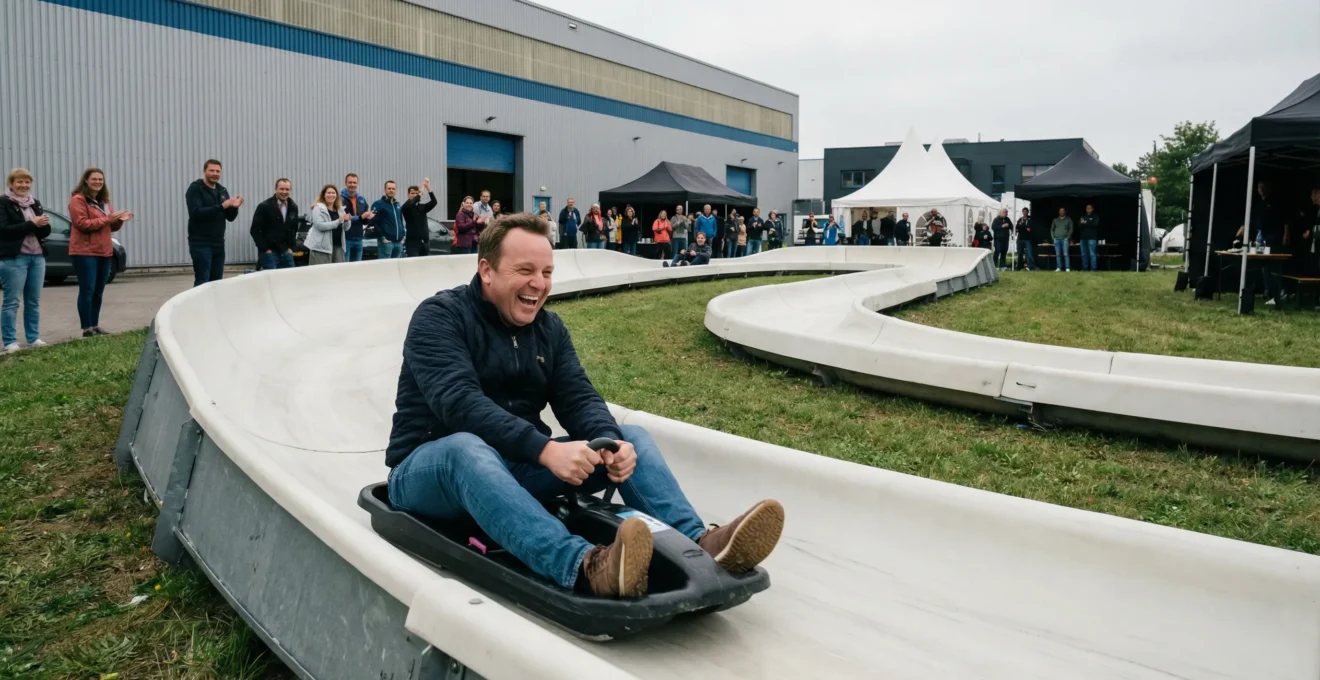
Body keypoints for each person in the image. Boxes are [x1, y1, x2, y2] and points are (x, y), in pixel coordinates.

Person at [385, 213, 784, 596]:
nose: (538, 284)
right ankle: (586, 566)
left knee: (632, 437)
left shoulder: (550, 329)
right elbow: (460, 405)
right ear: (487, 270)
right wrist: (545, 450)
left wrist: (609, 442)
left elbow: (578, 397)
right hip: (431, 471)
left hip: (515, 467)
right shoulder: (439, 318)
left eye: (546, 273)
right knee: (465, 448)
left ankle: (701, 541)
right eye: (525, 271)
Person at [68, 167, 133, 337]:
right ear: (86, 181)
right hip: (84, 251)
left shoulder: (103, 201)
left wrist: (119, 221)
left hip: (104, 251)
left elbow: (108, 226)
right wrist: (107, 219)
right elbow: (81, 223)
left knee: (98, 290)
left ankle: (95, 324)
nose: (98, 182)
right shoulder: (78, 200)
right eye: (94, 179)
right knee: (87, 289)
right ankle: (86, 327)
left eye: (100, 180)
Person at [0, 168, 51, 352]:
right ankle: (10, 341)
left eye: (27, 182)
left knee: (33, 301)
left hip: (37, 257)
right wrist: (32, 224)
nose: (24, 185)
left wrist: (44, 225)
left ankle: (33, 338)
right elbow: (4, 229)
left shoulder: (34, 203)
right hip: (15, 258)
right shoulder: (3, 203)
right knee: (12, 301)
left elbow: (43, 232)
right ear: (11, 184)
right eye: (19, 182)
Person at [186, 159, 241, 287]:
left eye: (218, 171)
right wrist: (222, 206)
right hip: (200, 243)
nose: (215, 173)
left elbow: (230, 218)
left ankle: (213, 307)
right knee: (203, 281)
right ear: (204, 171)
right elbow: (196, 212)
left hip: (218, 243)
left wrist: (234, 207)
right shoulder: (195, 188)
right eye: (212, 170)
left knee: (217, 282)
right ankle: (199, 307)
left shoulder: (222, 190)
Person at [249, 178, 298, 272]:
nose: (284, 192)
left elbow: (293, 228)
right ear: (275, 189)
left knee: (290, 281)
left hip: (286, 253)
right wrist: (265, 249)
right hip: (270, 254)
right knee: (272, 284)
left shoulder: (293, 207)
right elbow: (255, 230)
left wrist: (291, 247)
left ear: (290, 190)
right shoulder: (264, 206)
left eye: (287, 189)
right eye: (281, 189)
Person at [305, 184, 350, 265]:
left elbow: (346, 228)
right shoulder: (318, 208)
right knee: (321, 275)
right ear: (324, 195)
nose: (331, 195)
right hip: (321, 249)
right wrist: (338, 221)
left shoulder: (340, 209)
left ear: (337, 195)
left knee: (337, 275)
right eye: (328, 193)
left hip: (338, 247)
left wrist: (347, 221)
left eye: (333, 193)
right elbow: (320, 226)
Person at [341, 174, 375, 263]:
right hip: (346, 238)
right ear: (345, 183)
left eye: (354, 182)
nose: (352, 185)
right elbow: (342, 218)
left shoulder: (361, 199)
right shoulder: (339, 199)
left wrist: (368, 217)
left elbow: (364, 221)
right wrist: (361, 217)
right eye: (350, 182)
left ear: (357, 184)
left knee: (357, 268)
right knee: (345, 267)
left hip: (359, 238)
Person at [403, 179, 438, 258]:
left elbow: (434, 202)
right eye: (412, 193)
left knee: (423, 266)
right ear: (408, 195)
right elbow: (412, 203)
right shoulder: (406, 206)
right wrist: (421, 192)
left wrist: (428, 187)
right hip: (413, 243)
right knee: (413, 264)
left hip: (425, 242)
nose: (415, 195)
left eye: (416, 193)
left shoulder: (422, 207)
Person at [371, 181, 406, 259]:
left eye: (393, 189)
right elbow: (373, 223)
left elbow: (400, 221)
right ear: (385, 190)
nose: (391, 190)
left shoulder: (397, 205)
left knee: (396, 269)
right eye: (389, 188)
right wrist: (382, 238)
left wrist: (403, 236)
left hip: (398, 243)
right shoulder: (378, 204)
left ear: (396, 190)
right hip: (386, 243)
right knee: (385, 269)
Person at [1078, 204, 1100, 272]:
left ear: (1092, 209)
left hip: (1092, 238)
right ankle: (1085, 269)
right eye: (1087, 208)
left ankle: (1093, 269)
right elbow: (1079, 225)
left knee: (1092, 254)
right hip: (1083, 238)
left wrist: (1085, 222)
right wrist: (1085, 223)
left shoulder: (1095, 217)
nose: (1088, 209)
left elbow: (1095, 224)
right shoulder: (1082, 217)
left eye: (1090, 208)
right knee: (1084, 254)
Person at [1051, 207, 1074, 271]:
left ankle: (1067, 268)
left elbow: (1071, 229)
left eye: (1063, 211)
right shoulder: (1055, 220)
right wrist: (1053, 238)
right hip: (1057, 239)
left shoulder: (1068, 219)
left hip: (1065, 240)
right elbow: (1052, 230)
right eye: (1060, 211)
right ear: (1059, 212)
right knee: (1058, 254)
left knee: (1065, 254)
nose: (1061, 212)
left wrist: (1068, 237)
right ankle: (1059, 267)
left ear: (1065, 212)